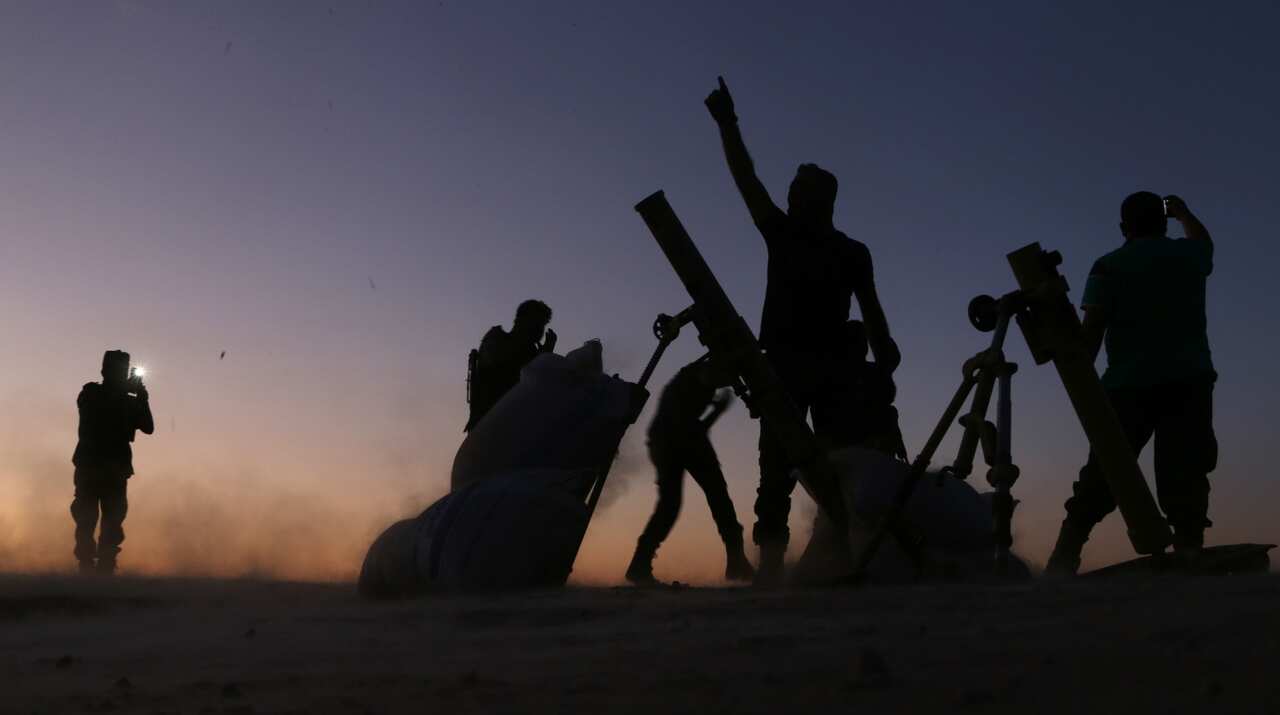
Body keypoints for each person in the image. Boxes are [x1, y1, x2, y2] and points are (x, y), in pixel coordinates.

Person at [705, 76, 900, 584]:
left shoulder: (848, 251)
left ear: (819, 199)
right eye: (790, 190)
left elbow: (873, 311)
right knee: (778, 467)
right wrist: (728, 124)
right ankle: (771, 564)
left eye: (798, 190)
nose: (789, 196)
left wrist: (883, 362)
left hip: (832, 367)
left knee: (838, 466)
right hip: (787, 366)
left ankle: (842, 554)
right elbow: (745, 178)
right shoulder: (784, 233)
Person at [1045, 193, 1217, 576]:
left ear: (1124, 228)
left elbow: (1090, 334)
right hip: (1189, 381)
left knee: (1105, 471)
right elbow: (1203, 242)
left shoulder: (1108, 267)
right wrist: (1185, 212)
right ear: (1164, 222)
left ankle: (1064, 556)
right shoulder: (1188, 257)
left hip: (1127, 387)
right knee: (1186, 471)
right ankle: (1189, 553)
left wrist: (1074, 365)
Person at [626, 357, 754, 585]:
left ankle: (736, 561)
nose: (729, 382)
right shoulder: (694, 381)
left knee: (712, 498)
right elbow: (691, 426)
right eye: (728, 376)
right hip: (675, 440)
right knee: (691, 501)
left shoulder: (695, 381)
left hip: (676, 439)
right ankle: (639, 565)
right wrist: (719, 410)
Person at [71, 350, 154, 574]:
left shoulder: (127, 401)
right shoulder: (91, 392)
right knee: (86, 518)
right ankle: (87, 566)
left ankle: (106, 566)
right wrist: (127, 394)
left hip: (114, 469)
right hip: (92, 465)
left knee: (113, 519)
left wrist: (141, 398)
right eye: (119, 371)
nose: (121, 375)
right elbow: (96, 409)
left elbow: (148, 427)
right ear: (105, 371)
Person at [465, 299, 556, 432]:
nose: (539, 331)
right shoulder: (497, 340)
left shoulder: (530, 352)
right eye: (536, 324)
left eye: (542, 326)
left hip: (515, 428)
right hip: (490, 428)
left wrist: (545, 358)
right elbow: (505, 376)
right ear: (520, 321)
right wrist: (542, 359)